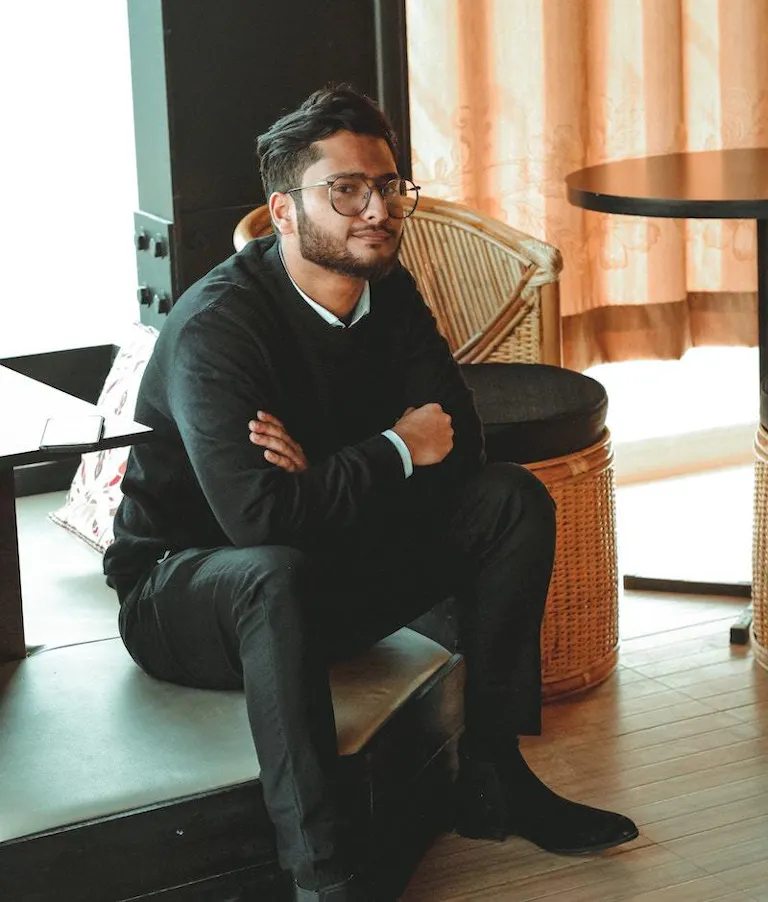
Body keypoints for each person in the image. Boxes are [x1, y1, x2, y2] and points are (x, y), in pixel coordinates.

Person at [104, 85, 637, 902]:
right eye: (346, 189)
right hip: (185, 592)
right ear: (284, 212)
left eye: (388, 186)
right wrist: (394, 446)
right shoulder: (219, 327)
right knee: (270, 570)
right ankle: (324, 874)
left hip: (325, 561)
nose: (378, 210)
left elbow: (461, 449)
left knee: (508, 500)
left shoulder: (388, 291)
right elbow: (255, 520)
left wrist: (319, 469)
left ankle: (493, 776)